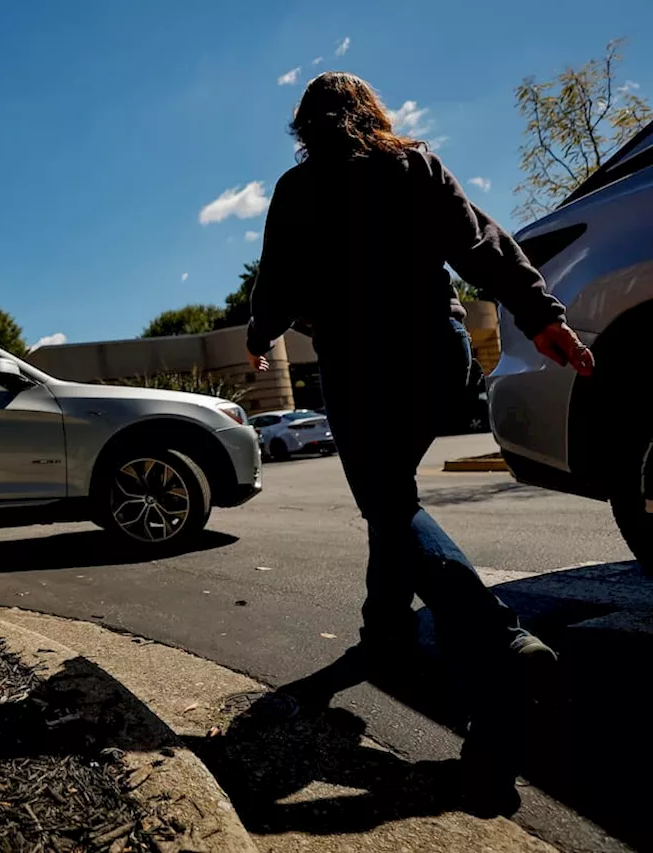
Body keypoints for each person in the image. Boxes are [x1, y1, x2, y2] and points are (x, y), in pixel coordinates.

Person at [245, 71, 594, 812]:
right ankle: (385, 633)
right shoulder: (414, 161)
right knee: (391, 495)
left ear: (304, 127)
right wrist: (542, 315)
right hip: (439, 355)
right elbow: (482, 245)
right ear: (372, 113)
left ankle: (497, 639)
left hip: (361, 364)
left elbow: (274, 283)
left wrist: (257, 334)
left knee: (387, 499)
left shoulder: (297, 189)